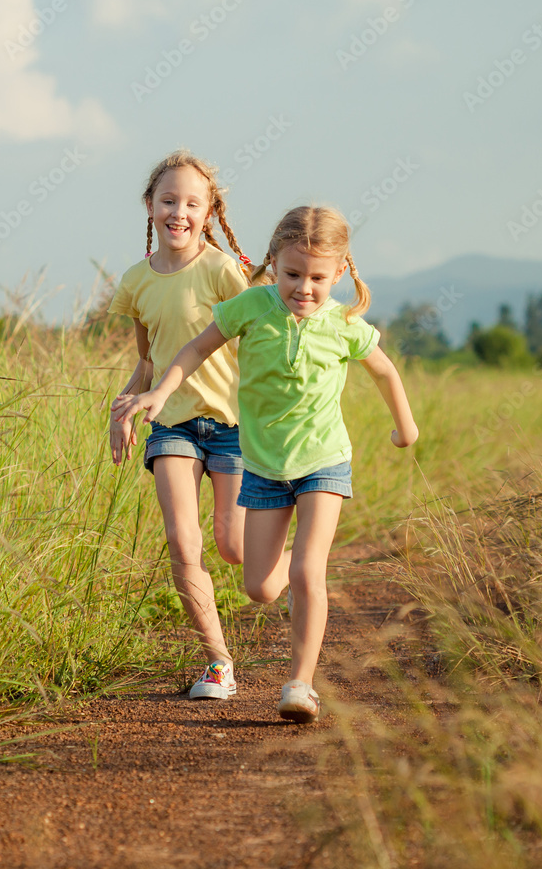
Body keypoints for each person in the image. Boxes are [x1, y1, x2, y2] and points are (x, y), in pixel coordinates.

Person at [115, 205, 417, 722]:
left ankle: (300, 684)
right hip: (262, 467)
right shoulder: (251, 308)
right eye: (293, 274)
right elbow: (194, 349)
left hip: (323, 462)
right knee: (258, 586)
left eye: (318, 278)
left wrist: (404, 427)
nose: (304, 288)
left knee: (306, 573)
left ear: (339, 272)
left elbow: (385, 371)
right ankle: (304, 560)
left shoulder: (343, 322)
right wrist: (161, 391)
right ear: (274, 264)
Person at [108, 150, 252, 701]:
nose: (179, 213)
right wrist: (123, 408)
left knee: (232, 545)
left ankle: (300, 568)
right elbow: (148, 363)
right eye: (169, 200)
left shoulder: (221, 270)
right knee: (181, 539)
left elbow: (255, 337)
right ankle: (218, 663)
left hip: (231, 423)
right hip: (172, 425)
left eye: (193, 203)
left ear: (209, 209)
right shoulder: (136, 281)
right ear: (150, 205)